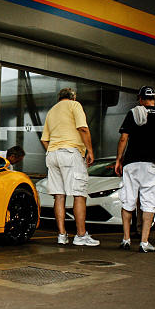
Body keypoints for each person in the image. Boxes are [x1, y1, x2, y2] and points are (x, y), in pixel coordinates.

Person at [115, 86, 155, 253]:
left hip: (131, 163)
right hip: (151, 165)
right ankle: (144, 242)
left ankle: (126, 239)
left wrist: (119, 160)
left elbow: (123, 138)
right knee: (149, 203)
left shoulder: (132, 113)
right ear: (154, 99)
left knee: (128, 201)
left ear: (140, 99)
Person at [41, 87, 99, 246]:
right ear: (73, 97)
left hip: (52, 154)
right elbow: (83, 128)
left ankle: (62, 234)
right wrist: (90, 150)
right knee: (79, 194)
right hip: (70, 152)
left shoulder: (51, 111)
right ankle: (80, 235)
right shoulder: (75, 105)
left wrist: (55, 150)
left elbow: (44, 139)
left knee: (59, 196)